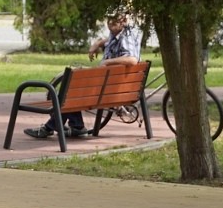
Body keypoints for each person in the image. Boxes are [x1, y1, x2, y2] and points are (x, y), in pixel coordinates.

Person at [25, 9, 140, 140]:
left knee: (68, 93)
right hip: (115, 87)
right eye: (109, 21)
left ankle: (49, 128)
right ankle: (77, 126)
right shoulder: (120, 33)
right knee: (72, 90)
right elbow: (110, 40)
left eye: (114, 21)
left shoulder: (126, 38)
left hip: (109, 89)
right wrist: (98, 43)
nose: (110, 24)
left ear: (124, 21)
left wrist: (107, 62)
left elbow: (132, 60)